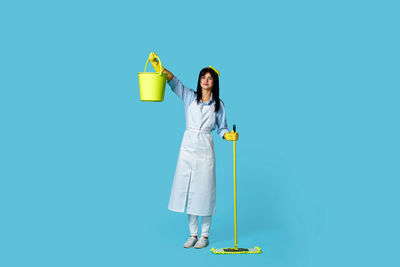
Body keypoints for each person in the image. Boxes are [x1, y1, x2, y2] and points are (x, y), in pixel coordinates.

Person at [149, 52, 238, 249]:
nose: (206, 81)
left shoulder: (218, 105)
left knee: (204, 191)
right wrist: (159, 68)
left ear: (214, 83)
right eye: (203, 77)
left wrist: (228, 136)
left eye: (210, 78)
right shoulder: (189, 96)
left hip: (205, 147)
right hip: (188, 146)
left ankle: (204, 236)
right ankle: (192, 234)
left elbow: (221, 128)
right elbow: (174, 81)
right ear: (199, 80)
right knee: (189, 190)